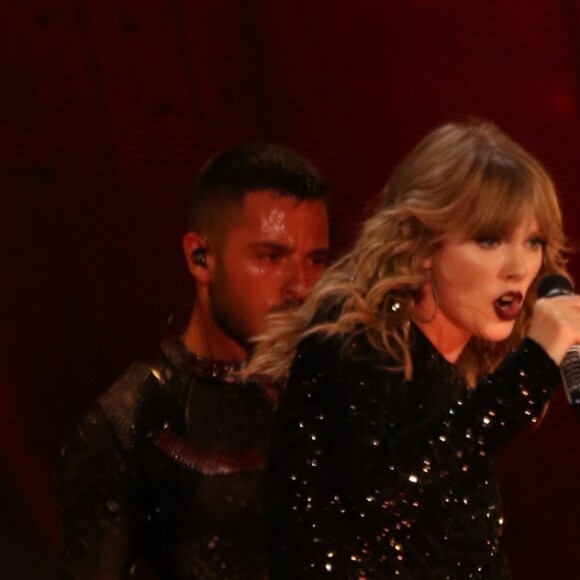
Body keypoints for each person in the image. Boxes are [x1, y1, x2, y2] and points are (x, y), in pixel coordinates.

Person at [247, 120, 580, 579]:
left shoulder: (456, 383)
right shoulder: (351, 345)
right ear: (424, 246)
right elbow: (381, 497)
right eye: (490, 239)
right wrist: (530, 373)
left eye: (533, 242)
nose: (519, 268)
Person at [56, 142, 330, 579]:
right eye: (271, 257)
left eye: (316, 260)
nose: (301, 286)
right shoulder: (131, 420)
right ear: (200, 258)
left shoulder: (336, 394)